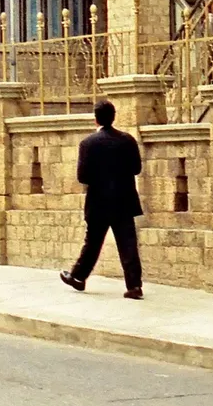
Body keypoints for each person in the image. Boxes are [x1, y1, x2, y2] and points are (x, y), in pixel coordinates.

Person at [60, 99, 145, 300]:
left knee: (93, 242)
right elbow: (136, 169)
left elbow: (83, 176)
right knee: (128, 244)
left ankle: (78, 276)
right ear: (113, 117)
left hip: (99, 201)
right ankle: (134, 286)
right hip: (123, 200)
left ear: (95, 120)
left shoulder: (88, 143)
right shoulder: (128, 140)